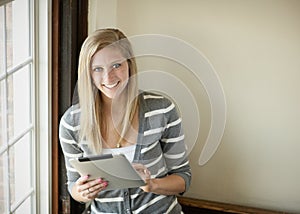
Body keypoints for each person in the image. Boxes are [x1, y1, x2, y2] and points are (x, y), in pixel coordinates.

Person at [59, 28, 192, 213]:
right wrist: (83, 192)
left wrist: (152, 184)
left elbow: (183, 178)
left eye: (116, 65)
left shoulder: (162, 110)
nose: (108, 77)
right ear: (88, 73)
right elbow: (74, 187)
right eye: (98, 69)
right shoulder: (71, 124)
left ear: (129, 64)